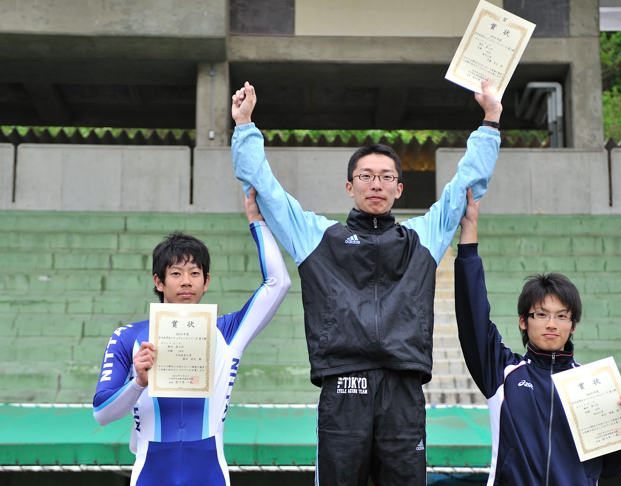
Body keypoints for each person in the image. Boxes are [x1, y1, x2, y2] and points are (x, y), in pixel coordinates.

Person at [230, 80, 502, 485]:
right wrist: (245, 125)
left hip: (403, 389)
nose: (376, 184)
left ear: (399, 188)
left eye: (386, 177)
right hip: (343, 385)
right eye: (366, 176)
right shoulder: (317, 237)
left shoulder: (421, 238)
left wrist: (491, 120)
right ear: (349, 186)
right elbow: (266, 189)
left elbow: (465, 186)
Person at [92, 189, 291, 486]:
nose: (186, 281)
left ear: (206, 281)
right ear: (158, 281)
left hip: (209, 470)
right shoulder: (128, 338)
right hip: (151, 472)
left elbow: (278, 283)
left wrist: (256, 221)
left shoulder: (227, 332)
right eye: (176, 273)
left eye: (195, 273)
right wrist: (138, 383)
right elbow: (102, 413)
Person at [454, 189, 621, 485]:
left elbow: (607, 469)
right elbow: (472, 316)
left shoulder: (593, 386)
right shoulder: (503, 374)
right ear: (523, 322)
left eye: (561, 315)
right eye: (541, 314)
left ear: (573, 325)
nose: (551, 324)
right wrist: (469, 239)